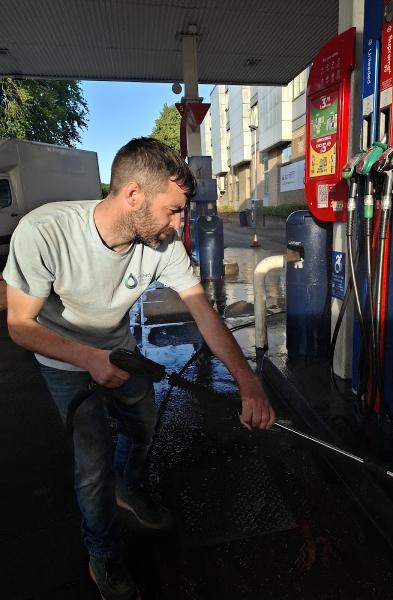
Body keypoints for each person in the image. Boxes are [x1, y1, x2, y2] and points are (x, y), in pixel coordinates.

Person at [4, 137, 276, 600]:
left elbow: (204, 313)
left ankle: (127, 487)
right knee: (92, 466)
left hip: (121, 349)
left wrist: (248, 381)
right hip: (64, 359)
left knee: (142, 424)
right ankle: (103, 556)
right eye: (172, 210)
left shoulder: (161, 243)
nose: (178, 224)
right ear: (133, 195)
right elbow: (19, 326)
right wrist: (89, 359)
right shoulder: (44, 232)